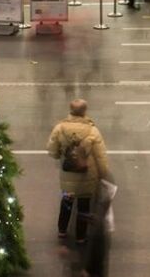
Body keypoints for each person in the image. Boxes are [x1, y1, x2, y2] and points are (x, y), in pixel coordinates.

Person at [45, 98, 110, 243]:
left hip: (67, 173)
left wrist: (59, 156)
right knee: (83, 205)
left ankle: (62, 230)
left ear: (70, 110)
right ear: (84, 111)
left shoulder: (60, 128)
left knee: (66, 200)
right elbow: (100, 156)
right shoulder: (93, 130)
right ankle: (81, 236)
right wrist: (103, 173)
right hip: (87, 175)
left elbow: (52, 150)